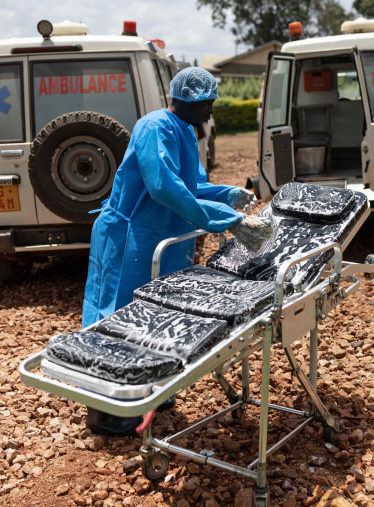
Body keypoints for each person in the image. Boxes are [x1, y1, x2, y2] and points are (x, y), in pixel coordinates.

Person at [81, 67, 268, 436]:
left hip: (160, 237)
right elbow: (163, 186)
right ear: (187, 100)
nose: (212, 111)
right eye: (208, 104)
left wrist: (227, 194)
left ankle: (152, 388)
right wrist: (225, 220)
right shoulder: (154, 127)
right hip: (130, 235)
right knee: (118, 314)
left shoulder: (183, 130)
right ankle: (109, 409)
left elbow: (192, 184)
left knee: (158, 314)